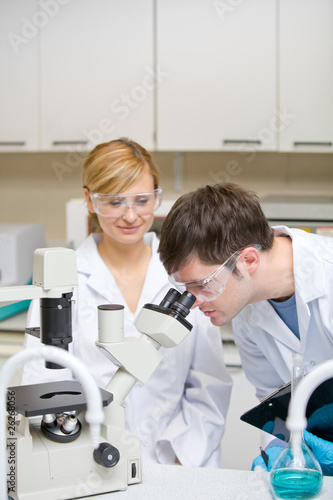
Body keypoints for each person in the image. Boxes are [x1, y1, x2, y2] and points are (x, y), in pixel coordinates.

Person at [21, 138, 232, 468]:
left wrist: (180, 458)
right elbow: (43, 380)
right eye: (115, 202)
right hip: (88, 457)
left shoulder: (185, 274)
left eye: (143, 200)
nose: (131, 215)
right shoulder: (62, 279)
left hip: (176, 461)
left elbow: (208, 384)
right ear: (89, 200)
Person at [158, 182, 333, 475]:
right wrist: (278, 452)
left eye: (201, 284)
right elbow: (274, 402)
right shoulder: (245, 309)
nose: (193, 302)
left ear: (248, 260)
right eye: (185, 288)